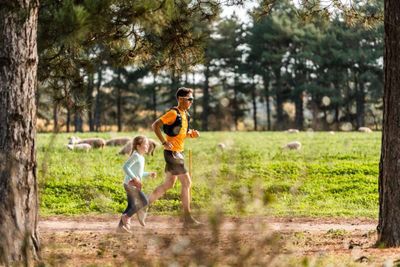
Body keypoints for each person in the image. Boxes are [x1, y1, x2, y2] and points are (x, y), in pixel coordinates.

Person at [146, 87, 201, 226]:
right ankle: (187, 218)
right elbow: (155, 125)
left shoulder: (185, 114)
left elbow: (181, 132)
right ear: (181, 99)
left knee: (169, 184)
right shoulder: (173, 113)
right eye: (190, 99)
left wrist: (191, 134)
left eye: (192, 99)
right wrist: (164, 142)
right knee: (187, 183)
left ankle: (142, 205)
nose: (191, 102)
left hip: (178, 152)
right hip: (172, 154)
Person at [118, 135, 156, 233]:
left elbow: (139, 173)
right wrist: (134, 178)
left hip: (131, 184)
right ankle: (126, 216)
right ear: (138, 146)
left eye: (148, 145)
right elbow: (125, 167)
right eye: (145, 145)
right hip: (131, 184)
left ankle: (120, 228)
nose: (147, 147)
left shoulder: (141, 157)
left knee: (130, 206)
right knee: (144, 201)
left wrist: (148, 174)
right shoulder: (135, 155)